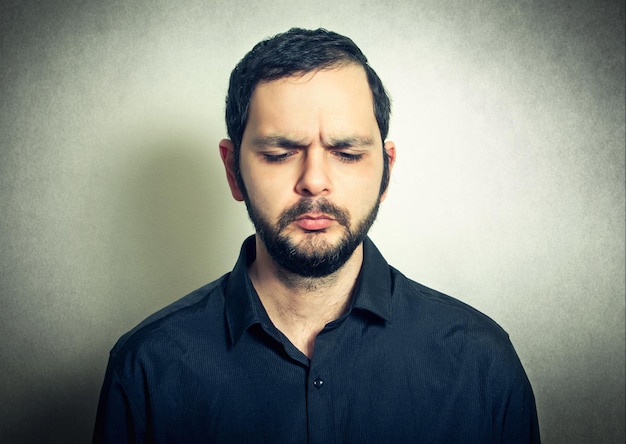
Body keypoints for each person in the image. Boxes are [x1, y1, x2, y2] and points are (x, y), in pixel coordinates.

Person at [93, 28, 540, 443]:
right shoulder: (145, 368)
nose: (314, 181)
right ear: (233, 170)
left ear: (385, 172)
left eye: (346, 153)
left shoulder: (482, 362)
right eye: (279, 153)